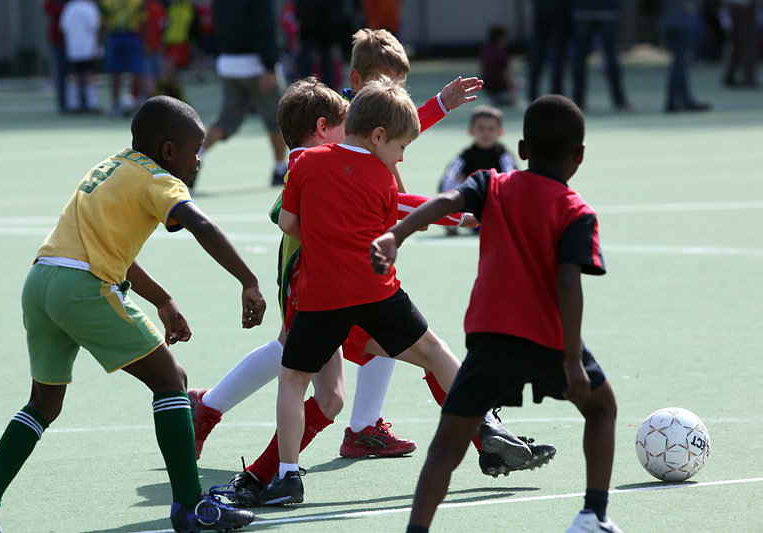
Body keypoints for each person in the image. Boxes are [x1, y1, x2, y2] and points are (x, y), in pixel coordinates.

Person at [0, 96, 266, 533]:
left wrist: (162, 298)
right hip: (82, 288)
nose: (198, 159)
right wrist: (248, 280)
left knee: (43, 403)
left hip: (41, 282)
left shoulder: (109, 167)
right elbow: (202, 225)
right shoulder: (160, 180)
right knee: (171, 380)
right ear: (167, 151)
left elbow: (109, 248)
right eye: (194, 150)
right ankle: (190, 507)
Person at [255, 78, 523, 506]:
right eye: (401, 147)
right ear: (377, 136)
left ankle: (287, 475)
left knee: (293, 380)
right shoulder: (379, 176)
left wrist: (322, 237)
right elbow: (399, 213)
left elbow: (287, 222)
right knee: (433, 351)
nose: (401, 156)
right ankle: (484, 422)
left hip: (319, 295)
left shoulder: (305, 164)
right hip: (374, 289)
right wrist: (464, 216)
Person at [370, 94, 620, 533]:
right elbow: (568, 282)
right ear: (579, 156)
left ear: (521, 149)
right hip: (549, 340)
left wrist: (398, 233)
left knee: (446, 447)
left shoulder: (493, 184)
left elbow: (448, 200)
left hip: (491, 340)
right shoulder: (576, 212)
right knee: (601, 410)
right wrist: (571, 360)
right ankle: (592, 516)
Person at [199, 0, 288, 189]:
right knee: (278, 119)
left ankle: (197, 156)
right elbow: (265, 27)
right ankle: (280, 169)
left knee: (225, 120)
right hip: (257, 66)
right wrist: (270, 65)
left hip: (229, 64)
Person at [438, 104, 516, 236]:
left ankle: (506, 223)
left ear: (499, 132)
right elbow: (447, 181)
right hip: (472, 211)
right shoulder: (465, 156)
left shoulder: (503, 155)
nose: (486, 133)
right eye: (481, 128)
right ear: (471, 131)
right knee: (452, 185)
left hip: (497, 207)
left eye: (491, 129)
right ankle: (452, 223)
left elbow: (512, 180)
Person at [571, 0, 630, 111]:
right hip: (606, 9)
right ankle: (619, 101)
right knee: (611, 56)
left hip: (583, 9)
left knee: (580, 58)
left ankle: (578, 101)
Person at [658, 0, 711, 111]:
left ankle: (683, 99)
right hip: (681, 20)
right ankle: (674, 101)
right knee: (679, 63)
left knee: (680, 62)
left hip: (670, 20)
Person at [100, 0, 147, 117]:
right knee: (115, 72)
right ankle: (115, 104)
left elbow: (143, 22)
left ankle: (144, 103)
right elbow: (103, 23)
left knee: (138, 70)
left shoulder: (137, 2)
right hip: (115, 36)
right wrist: (100, 43)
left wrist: (145, 42)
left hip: (132, 35)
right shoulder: (107, 2)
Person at [59, 0, 102, 114]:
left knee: (74, 76)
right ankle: (91, 104)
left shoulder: (69, 7)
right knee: (89, 76)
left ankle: (74, 105)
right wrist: (97, 47)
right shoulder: (90, 7)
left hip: (73, 49)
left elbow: (64, 27)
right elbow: (95, 27)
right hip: (88, 48)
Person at [527, 0, 573, 101]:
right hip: (559, 9)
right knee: (558, 55)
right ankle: (556, 92)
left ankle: (532, 92)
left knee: (537, 54)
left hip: (541, 7)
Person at [721, 0, 759, 88]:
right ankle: (748, 77)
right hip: (744, 7)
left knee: (738, 43)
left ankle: (731, 75)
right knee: (748, 43)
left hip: (734, 7)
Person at [480, 25, 517, 106]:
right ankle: (503, 99)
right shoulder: (502, 54)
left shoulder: (485, 51)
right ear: (500, 39)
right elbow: (507, 75)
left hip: (486, 86)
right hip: (498, 87)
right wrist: (512, 97)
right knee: (520, 84)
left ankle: (498, 98)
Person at [43, 0, 69, 114]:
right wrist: (68, 9)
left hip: (76, 40)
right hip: (58, 40)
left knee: (79, 72)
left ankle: (80, 103)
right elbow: (47, 8)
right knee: (61, 73)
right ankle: (63, 104)